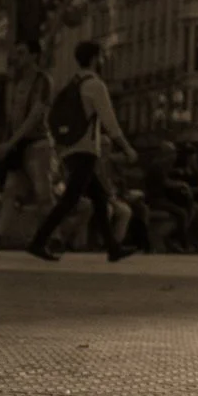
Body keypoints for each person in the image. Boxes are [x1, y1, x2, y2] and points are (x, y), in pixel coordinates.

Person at [28, 39, 136, 263]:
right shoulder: (95, 85)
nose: (104, 60)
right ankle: (38, 241)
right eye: (102, 56)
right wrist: (127, 148)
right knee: (69, 200)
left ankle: (112, 248)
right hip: (85, 149)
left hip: (70, 148)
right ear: (96, 58)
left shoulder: (74, 83)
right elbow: (110, 123)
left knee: (99, 197)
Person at [0, 38, 55, 248]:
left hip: (37, 144)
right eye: (16, 53)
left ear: (34, 56)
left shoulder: (42, 81)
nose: (16, 58)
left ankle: (54, 236)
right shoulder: (14, 83)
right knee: (10, 190)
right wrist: (5, 143)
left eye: (22, 53)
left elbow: (34, 117)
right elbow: (11, 118)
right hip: (19, 146)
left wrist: (8, 144)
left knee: (43, 193)